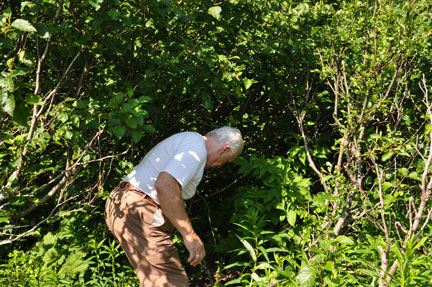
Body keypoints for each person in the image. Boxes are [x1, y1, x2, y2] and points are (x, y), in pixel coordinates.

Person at [105, 126, 244, 286]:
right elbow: (165, 185)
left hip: (124, 205)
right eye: (225, 160)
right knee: (172, 282)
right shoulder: (196, 148)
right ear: (225, 149)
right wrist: (189, 235)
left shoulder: (190, 142)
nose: (220, 165)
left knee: (154, 281)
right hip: (141, 208)